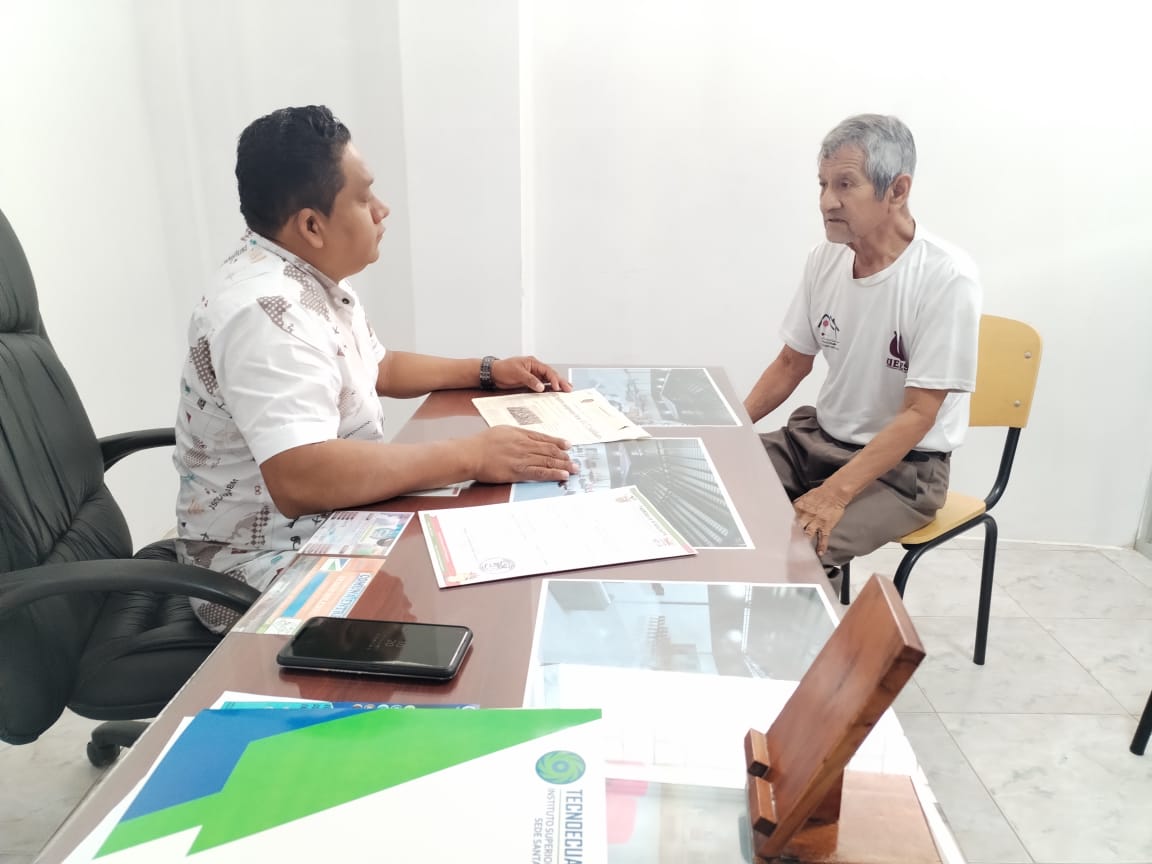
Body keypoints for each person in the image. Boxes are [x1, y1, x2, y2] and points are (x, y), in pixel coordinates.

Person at [174, 105, 577, 631]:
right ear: (312, 225)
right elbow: (300, 477)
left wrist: (487, 370)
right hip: (262, 572)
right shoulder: (265, 312)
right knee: (487, 601)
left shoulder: (304, 279)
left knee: (496, 549)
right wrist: (472, 455)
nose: (382, 210)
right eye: (364, 198)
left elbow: (377, 367)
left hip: (331, 525)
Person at [743, 114, 981, 578]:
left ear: (897, 190)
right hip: (814, 442)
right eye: (823, 184)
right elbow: (791, 363)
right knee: (709, 486)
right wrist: (725, 432)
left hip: (903, 473)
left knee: (795, 552)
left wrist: (834, 494)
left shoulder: (947, 276)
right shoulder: (825, 258)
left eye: (845, 185)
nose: (826, 201)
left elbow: (920, 413)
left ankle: (808, 621)